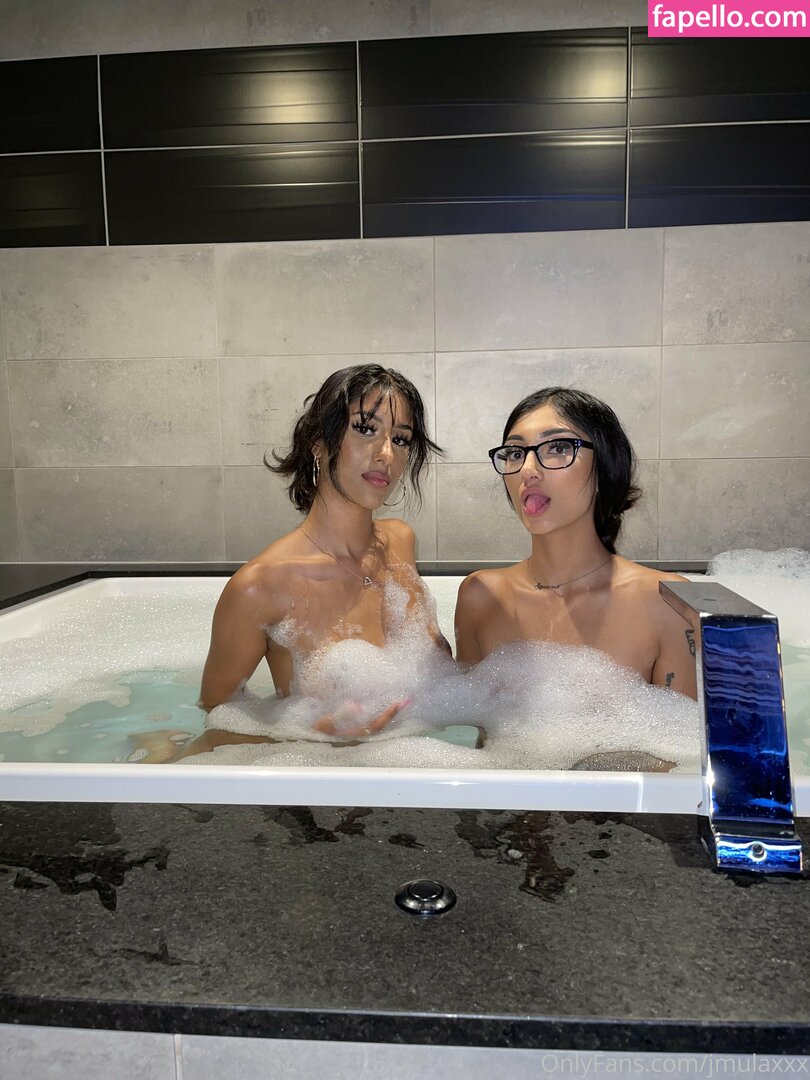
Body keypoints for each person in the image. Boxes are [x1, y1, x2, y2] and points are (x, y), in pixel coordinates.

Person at [137, 364, 445, 763]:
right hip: (317, 777)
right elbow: (216, 723)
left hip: (404, 765)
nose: (386, 454)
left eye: (401, 439)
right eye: (365, 429)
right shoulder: (260, 588)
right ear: (319, 443)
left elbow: (440, 678)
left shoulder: (400, 542)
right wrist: (309, 735)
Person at [454, 388, 697, 700]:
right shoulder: (480, 597)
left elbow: (680, 729)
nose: (527, 470)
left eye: (557, 448)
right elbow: (468, 723)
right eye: (515, 453)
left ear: (604, 466)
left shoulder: (669, 603)